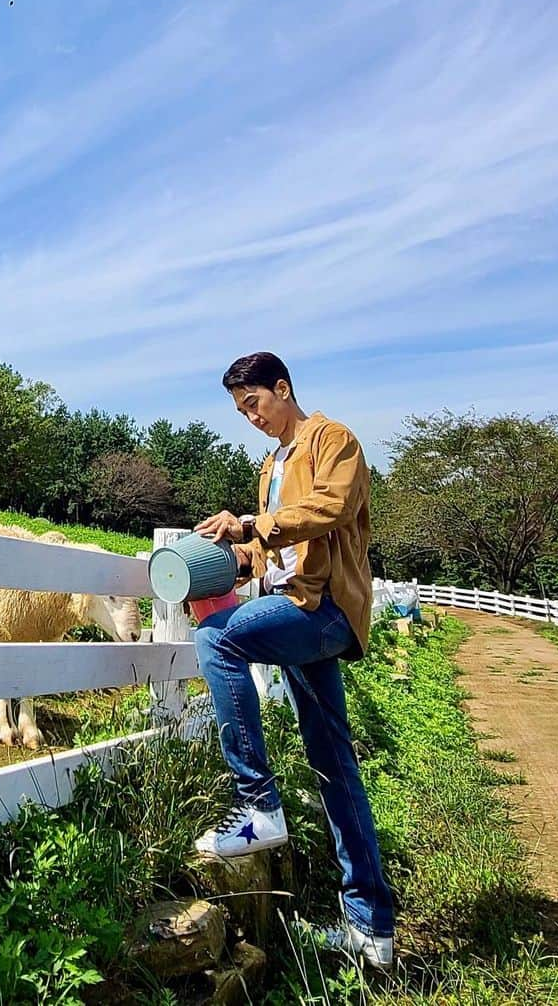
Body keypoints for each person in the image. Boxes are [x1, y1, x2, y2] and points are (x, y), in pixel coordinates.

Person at [191, 351, 395, 968]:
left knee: (220, 640)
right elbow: (268, 556)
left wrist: (255, 523)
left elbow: (330, 509)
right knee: (334, 763)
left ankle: (259, 806)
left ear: (282, 388)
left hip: (324, 609)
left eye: (253, 402)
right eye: (239, 410)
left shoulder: (334, 439)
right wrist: (222, 552)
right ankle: (372, 933)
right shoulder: (270, 465)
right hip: (293, 609)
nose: (249, 417)